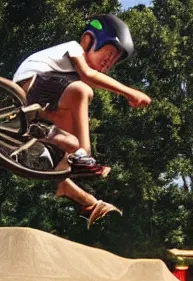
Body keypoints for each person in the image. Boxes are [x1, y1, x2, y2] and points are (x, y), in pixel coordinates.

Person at [12, 14, 152, 228]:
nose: (109, 61)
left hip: (40, 106)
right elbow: (88, 76)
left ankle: (66, 185)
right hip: (29, 84)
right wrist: (128, 92)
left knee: (71, 142)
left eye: (115, 60)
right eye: (110, 52)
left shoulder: (65, 80)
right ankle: (83, 154)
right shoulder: (74, 48)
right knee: (82, 90)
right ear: (88, 40)